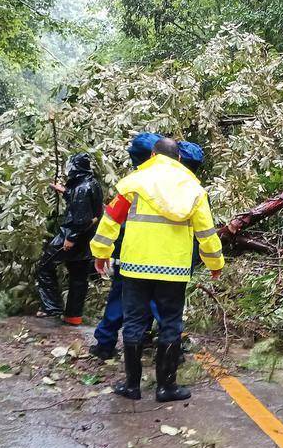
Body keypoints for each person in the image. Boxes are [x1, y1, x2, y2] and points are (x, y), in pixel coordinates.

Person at [91, 137, 224, 402]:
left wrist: (100, 254)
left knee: (134, 323)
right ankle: (166, 387)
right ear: (179, 159)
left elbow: (110, 220)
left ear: (152, 155)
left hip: (135, 268)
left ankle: (132, 386)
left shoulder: (134, 183)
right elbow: (206, 233)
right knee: (171, 323)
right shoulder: (193, 189)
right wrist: (215, 263)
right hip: (173, 271)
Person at [89, 132, 160, 360]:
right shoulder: (171, 185)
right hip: (163, 259)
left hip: (130, 257)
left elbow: (110, 222)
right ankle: (168, 347)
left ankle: (106, 345)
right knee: (162, 304)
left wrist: (101, 254)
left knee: (120, 300)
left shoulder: (129, 186)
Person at [35, 153, 103, 325]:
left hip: (73, 236)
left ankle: (52, 306)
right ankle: (73, 316)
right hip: (88, 239)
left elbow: (81, 217)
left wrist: (70, 237)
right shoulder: (92, 183)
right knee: (78, 276)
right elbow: (84, 204)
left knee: (44, 266)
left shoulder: (82, 187)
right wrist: (65, 191)